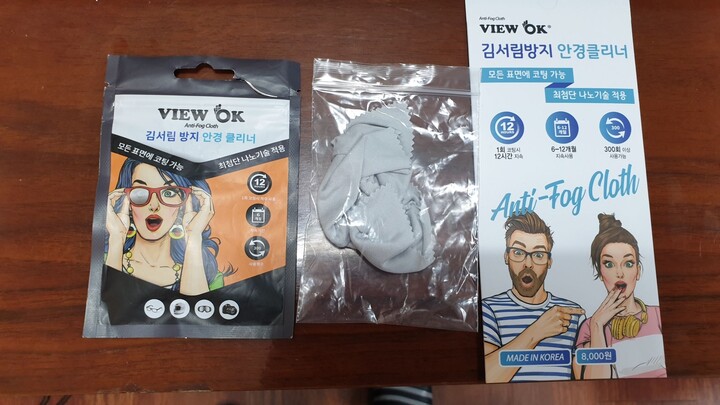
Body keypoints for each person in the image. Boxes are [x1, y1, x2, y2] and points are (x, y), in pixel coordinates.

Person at [482, 211, 585, 383]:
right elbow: (489, 377)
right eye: (518, 252)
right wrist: (537, 331)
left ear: (549, 262)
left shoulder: (572, 314)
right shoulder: (488, 310)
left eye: (538, 255)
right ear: (506, 257)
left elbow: (589, 380)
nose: (528, 264)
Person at [105, 158, 225, 296]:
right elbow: (106, 303)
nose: (154, 206)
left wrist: (193, 237)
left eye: (169, 193)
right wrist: (117, 238)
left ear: (185, 203)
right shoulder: (105, 261)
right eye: (140, 193)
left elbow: (199, 308)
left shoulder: (209, 276)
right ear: (127, 202)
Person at [575, 213, 666, 379]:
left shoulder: (658, 315)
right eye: (609, 264)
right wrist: (597, 326)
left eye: (628, 263)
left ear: (638, 271)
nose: (619, 273)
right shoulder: (589, 327)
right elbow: (594, 387)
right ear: (600, 273)